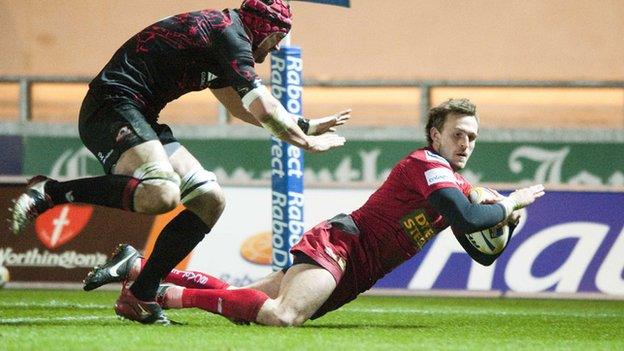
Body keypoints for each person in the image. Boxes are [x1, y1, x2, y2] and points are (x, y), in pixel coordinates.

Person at [9, 0, 350, 324]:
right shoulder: (230, 36)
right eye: (275, 37)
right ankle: (51, 191)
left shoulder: (224, 40)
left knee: (210, 201)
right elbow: (263, 108)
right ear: (262, 29)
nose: (275, 47)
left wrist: (303, 124)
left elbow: (240, 107)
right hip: (111, 106)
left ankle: (141, 294)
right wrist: (304, 141)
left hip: (141, 116)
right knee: (161, 193)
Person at [85, 98, 545, 326]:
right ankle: (158, 294)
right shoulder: (427, 165)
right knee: (282, 315)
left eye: (473, 138)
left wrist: (506, 221)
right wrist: (510, 202)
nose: (466, 144)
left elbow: (482, 252)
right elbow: (465, 217)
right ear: (435, 135)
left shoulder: (461, 186)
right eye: (458, 134)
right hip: (345, 242)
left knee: (250, 297)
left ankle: (138, 266)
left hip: (360, 271)